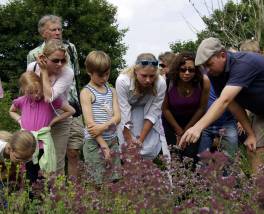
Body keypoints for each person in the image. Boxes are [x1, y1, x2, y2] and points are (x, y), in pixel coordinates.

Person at [180, 37, 264, 173]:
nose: (206, 70)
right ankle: (260, 190)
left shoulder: (243, 63)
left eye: (209, 64)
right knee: (254, 148)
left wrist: (198, 127)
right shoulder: (216, 74)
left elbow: (223, 101)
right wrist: (250, 134)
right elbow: (232, 104)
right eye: (203, 67)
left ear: (222, 55)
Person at [27, 15, 83, 178]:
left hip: (67, 105)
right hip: (42, 111)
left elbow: (75, 77)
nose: (58, 32)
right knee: (39, 158)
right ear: (43, 33)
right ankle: (41, 194)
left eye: (60, 29)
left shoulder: (70, 48)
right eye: (53, 29)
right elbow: (29, 86)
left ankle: (70, 192)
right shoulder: (33, 57)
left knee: (71, 151)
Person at [9, 72, 75, 182]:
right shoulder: (22, 100)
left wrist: (53, 120)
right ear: (24, 90)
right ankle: (30, 197)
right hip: (27, 145)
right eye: (30, 93)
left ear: (41, 85)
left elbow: (71, 110)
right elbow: (11, 111)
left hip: (43, 144)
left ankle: (46, 196)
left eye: (37, 91)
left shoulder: (49, 100)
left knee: (45, 174)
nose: (35, 95)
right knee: (29, 175)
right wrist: (19, 120)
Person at [116, 53, 169, 160]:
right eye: (144, 76)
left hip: (147, 117)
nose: (148, 80)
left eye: (152, 76)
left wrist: (140, 140)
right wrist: (129, 139)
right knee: (128, 154)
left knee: (148, 148)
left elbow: (153, 113)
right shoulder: (122, 81)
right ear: (136, 71)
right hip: (127, 119)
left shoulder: (161, 83)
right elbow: (124, 112)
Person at [80, 51, 121, 184]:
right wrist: (104, 146)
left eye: (107, 74)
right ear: (89, 72)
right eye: (100, 75)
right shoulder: (86, 93)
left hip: (112, 140)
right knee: (97, 182)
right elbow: (90, 125)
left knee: (114, 180)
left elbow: (118, 117)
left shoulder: (112, 91)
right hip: (94, 143)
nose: (104, 78)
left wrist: (102, 127)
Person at [162, 52, 210, 161]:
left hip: (193, 122)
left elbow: (202, 108)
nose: (187, 73)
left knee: (190, 156)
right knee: (173, 156)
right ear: (177, 69)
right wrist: (178, 130)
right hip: (171, 122)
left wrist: (187, 129)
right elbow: (165, 109)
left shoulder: (203, 82)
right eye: (183, 69)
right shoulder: (167, 81)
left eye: (191, 70)